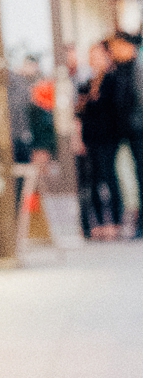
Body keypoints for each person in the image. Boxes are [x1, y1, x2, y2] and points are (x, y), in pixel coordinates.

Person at [75, 43, 123, 239]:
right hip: (91, 138)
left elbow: (114, 109)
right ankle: (99, 223)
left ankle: (115, 221)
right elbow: (79, 111)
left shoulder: (112, 80)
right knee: (93, 179)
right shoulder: (87, 82)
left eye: (96, 55)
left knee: (109, 176)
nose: (93, 59)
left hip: (107, 138)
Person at [108, 32, 143, 236]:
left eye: (117, 47)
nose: (114, 51)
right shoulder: (120, 69)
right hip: (128, 131)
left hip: (138, 130)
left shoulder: (138, 68)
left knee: (140, 174)